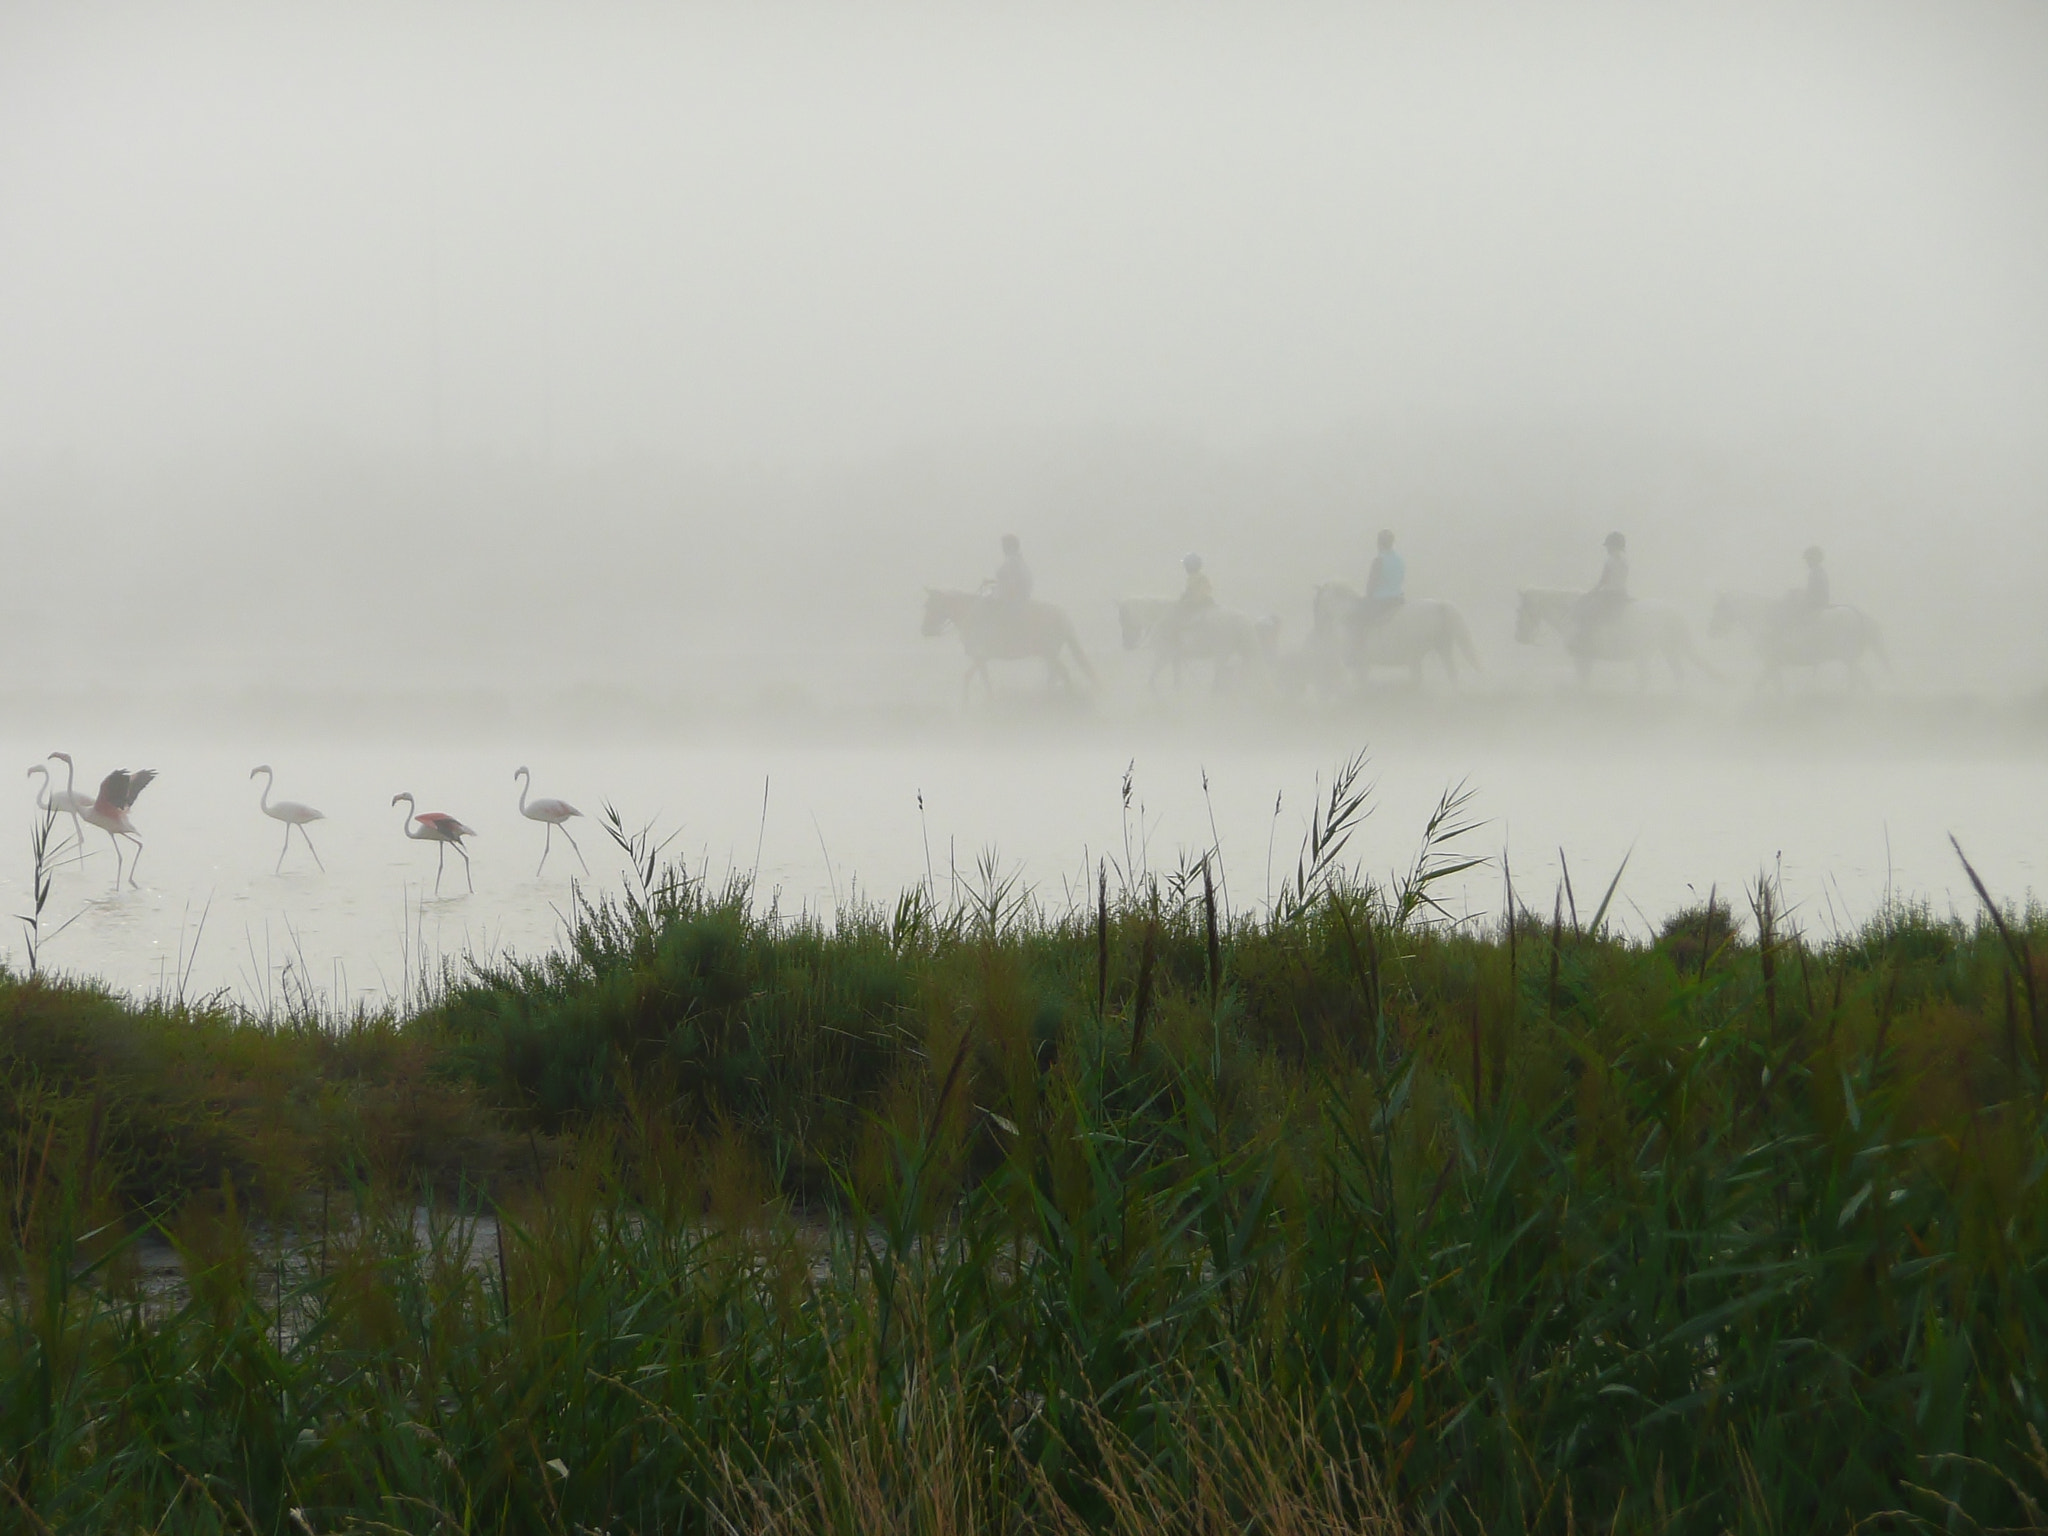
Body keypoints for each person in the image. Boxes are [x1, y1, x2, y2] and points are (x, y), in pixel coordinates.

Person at [1573, 531, 1630, 646]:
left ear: (1613, 546)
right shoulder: (1625, 559)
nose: (1607, 548)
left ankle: (1585, 642)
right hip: (1622, 594)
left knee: (1586, 613)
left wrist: (1590, 593)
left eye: (1608, 545)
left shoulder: (1610, 560)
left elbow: (1603, 581)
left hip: (1609, 595)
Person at [1362, 529, 1405, 626]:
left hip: (1381, 602)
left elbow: (1371, 584)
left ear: (1379, 543)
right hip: (1398, 599)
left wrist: (1366, 598)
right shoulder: (1399, 560)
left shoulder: (1379, 561)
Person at [988, 533, 1033, 608]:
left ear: (1011, 547)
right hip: (1013, 600)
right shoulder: (1019, 562)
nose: (1003, 549)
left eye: (1005, 546)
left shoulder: (1013, 562)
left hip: (1010, 604)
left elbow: (1010, 582)